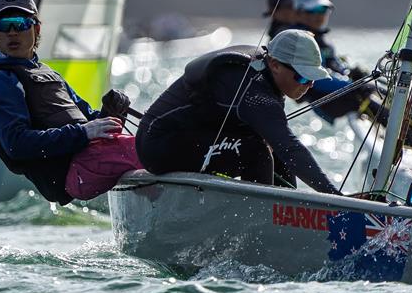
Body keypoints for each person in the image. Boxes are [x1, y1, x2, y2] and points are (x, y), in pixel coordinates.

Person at [0, 0, 141, 205]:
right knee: (154, 152)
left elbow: (89, 121)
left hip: (90, 156)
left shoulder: (48, 73)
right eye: (3, 25)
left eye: (20, 23)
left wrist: (112, 113)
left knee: (161, 138)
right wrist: (83, 133)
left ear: (37, 28)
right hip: (70, 171)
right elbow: (16, 144)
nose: (12, 32)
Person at [136, 29, 340, 195]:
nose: (309, 85)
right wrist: (334, 197)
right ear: (275, 65)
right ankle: (261, 227)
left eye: (314, 78)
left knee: (272, 149)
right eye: (303, 78)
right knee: (257, 151)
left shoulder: (265, 72)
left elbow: (283, 149)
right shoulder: (254, 92)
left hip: (193, 136)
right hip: (159, 145)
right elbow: (290, 148)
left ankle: (286, 217)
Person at [292, 0, 412, 150]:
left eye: (323, 10)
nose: (319, 16)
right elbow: (315, 76)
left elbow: (335, 65)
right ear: (298, 12)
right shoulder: (300, 39)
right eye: (313, 11)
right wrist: (351, 85)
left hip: (347, 94)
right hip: (334, 101)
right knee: (391, 116)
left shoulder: (319, 38)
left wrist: (352, 73)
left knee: (397, 100)